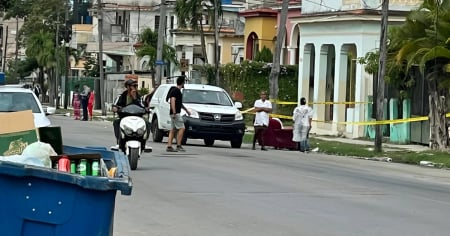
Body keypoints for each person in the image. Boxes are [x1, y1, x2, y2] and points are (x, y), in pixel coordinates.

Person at [112, 79, 149, 149]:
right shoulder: (121, 96)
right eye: (133, 86)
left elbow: (143, 106)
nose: (135, 88)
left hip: (138, 117)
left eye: (136, 86)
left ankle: (144, 142)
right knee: (116, 122)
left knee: (147, 123)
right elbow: (114, 105)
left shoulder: (139, 97)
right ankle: (118, 141)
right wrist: (115, 108)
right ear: (128, 87)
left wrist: (135, 98)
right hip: (124, 116)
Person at [166, 76, 191, 152]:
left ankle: (169, 146)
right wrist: (174, 112)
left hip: (174, 113)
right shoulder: (176, 91)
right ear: (182, 82)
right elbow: (172, 101)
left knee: (173, 130)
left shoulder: (177, 91)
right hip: (175, 113)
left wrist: (186, 110)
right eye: (184, 82)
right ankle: (178, 145)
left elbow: (179, 103)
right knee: (182, 128)